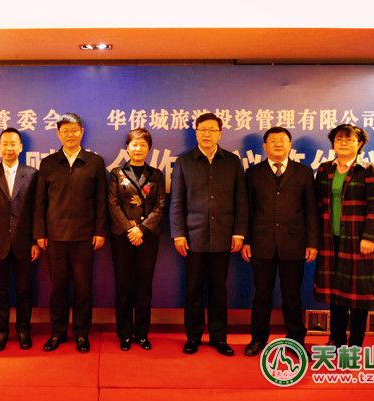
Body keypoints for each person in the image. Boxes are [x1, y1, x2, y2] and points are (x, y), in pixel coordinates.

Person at [170, 112, 247, 356]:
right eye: (202, 129)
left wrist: (239, 233)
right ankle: (193, 337)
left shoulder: (232, 161)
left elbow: (241, 200)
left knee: (218, 290)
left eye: (212, 130)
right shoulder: (184, 161)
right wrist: (178, 233)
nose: (207, 134)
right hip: (193, 237)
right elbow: (176, 201)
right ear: (196, 133)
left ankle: (219, 337)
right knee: (193, 289)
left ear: (220, 133)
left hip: (224, 236)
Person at [240, 127, 318, 356]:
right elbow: (247, 210)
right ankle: (258, 339)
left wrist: (312, 242)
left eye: (282, 140)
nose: (277, 144)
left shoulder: (304, 172)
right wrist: (246, 240)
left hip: (294, 244)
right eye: (272, 141)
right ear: (264, 146)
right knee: (261, 295)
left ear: (290, 145)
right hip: (261, 243)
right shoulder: (253, 173)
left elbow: (311, 210)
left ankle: (296, 340)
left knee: (292, 296)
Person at [34, 112, 107, 353]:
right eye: (65, 131)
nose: (70, 135)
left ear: (82, 132)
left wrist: (100, 231)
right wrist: (40, 233)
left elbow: (101, 200)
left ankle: (81, 334)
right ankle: (57, 332)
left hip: (84, 237)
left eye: (74, 130)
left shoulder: (94, 162)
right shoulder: (48, 163)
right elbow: (40, 202)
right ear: (58, 134)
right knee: (58, 288)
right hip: (55, 237)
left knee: (83, 288)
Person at [314, 124, 374, 348]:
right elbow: (317, 204)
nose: (343, 143)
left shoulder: (368, 170)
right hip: (330, 239)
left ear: (359, 144)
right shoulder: (325, 169)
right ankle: (336, 339)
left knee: (358, 296)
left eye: (349, 139)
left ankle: (355, 344)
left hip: (357, 239)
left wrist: (369, 237)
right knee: (336, 293)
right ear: (333, 144)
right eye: (338, 139)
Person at [0, 128, 39, 351]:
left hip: (24, 243)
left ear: (20, 147)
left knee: (24, 290)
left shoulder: (32, 174)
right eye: (5, 143)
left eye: (13, 143)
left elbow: (36, 211)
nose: (9, 148)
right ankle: (1, 331)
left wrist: (35, 241)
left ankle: (23, 330)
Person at [108, 128, 166, 351]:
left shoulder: (156, 174)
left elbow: (160, 205)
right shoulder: (117, 173)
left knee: (144, 286)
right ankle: (124, 334)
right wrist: (129, 229)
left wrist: (141, 229)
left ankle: (142, 334)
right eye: (134, 144)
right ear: (127, 147)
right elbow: (113, 204)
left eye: (143, 145)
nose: (138, 148)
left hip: (147, 237)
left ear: (149, 148)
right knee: (123, 286)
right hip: (122, 237)